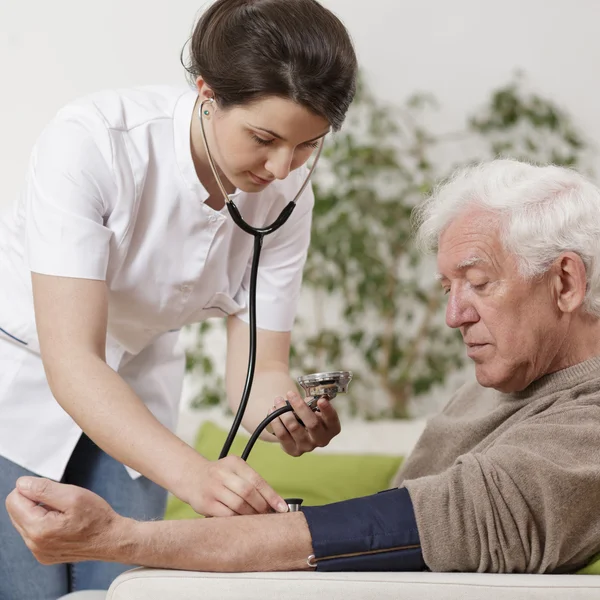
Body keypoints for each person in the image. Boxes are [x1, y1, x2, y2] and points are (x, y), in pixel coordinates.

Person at [8, 159, 600, 578]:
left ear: (566, 281)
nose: (453, 316)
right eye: (447, 288)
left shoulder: (586, 429)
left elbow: (406, 526)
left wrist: (122, 539)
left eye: (477, 283)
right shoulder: (510, 377)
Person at [0, 0, 358, 596]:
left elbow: (258, 372)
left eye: (306, 145)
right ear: (207, 91)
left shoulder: (288, 193)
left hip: (139, 389)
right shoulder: (93, 143)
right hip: (24, 386)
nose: (281, 167)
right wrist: (197, 476)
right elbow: (73, 361)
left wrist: (283, 415)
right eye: (264, 138)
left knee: (121, 589)